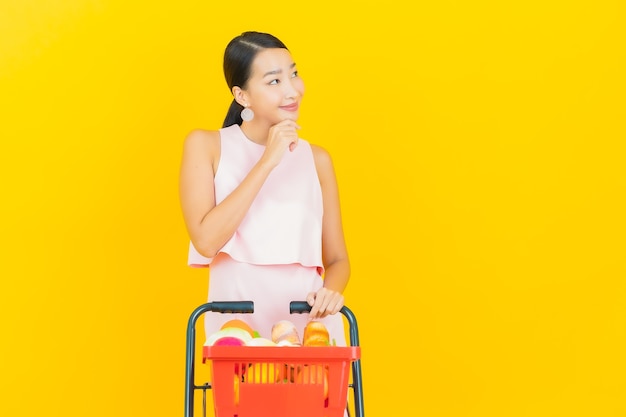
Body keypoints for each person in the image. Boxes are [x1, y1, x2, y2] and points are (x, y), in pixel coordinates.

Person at [179, 31, 350, 346]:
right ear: (242, 96)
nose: (292, 90)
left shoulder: (317, 159)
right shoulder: (206, 146)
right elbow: (206, 241)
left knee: (318, 394)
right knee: (246, 396)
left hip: (310, 330)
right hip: (237, 327)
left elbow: (338, 259)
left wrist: (331, 292)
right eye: (274, 81)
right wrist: (267, 161)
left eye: (294, 74)